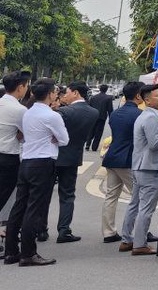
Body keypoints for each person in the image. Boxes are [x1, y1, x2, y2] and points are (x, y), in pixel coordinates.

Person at [3, 78, 68, 266]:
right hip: (43, 162)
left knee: (19, 207)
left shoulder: (27, 112)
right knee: (34, 209)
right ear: (50, 94)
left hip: (26, 161)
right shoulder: (52, 116)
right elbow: (64, 140)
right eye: (55, 92)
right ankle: (28, 253)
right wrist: (52, 138)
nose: (56, 95)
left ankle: (11, 251)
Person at [49, 81, 97, 243]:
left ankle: (41, 229)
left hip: (53, 156)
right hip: (73, 158)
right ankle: (64, 230)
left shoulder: (63, 112)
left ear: (76, 93)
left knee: (44, 194)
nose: (64, 95)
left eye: (67, 92)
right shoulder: (93, 113)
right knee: (68, 195)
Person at [120, 83, 158, 255]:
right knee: (146, 208)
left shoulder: (145, 115)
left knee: (135, 204)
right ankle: (139, 244)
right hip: (149, 167)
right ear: (147, 100)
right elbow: (154, 143)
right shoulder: (151, 117)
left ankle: (127, 239)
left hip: (139, 165)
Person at [101, 82, 142, 244]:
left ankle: (108, 232)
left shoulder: (116, 113)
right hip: (128, 160)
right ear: (138, 95)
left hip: (112, 157)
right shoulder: (140, 115)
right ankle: (140, 231)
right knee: (139, 197)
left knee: (111, 196)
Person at [0, 73, 31, 223]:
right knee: (3, 194)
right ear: (20, 87)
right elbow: (26, 135)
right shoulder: (20, 110)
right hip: (8, 158)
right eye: (26, 86)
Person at [87, 83, 114, 151]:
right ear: (106, 90)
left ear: (99, 89)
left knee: (91, 131)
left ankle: (87, 144)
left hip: (93, 116)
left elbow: (89, 107)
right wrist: (111, 119)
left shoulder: (93, 97)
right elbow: (110, 109)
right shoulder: (108, 98)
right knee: (98, 132)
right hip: (102, 117)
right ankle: (94, 147)